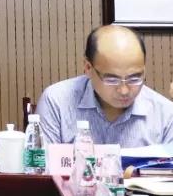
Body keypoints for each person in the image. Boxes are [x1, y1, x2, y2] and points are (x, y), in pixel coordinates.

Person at [36, 24, 173, 146]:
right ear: (88, 68)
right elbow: (41, 164)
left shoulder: (165, 114)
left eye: (134, 78)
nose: (124, 90)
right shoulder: (57, 102)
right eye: (112, 79)